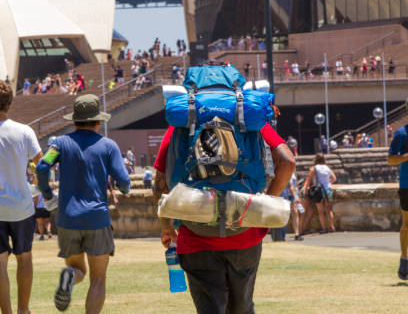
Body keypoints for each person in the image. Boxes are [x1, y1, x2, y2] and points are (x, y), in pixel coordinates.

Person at [153, 124, 295, 313]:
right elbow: (288, 162)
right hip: (245, 233)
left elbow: (160, 182)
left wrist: (166, 226)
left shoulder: (182, 120)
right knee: (242, 307)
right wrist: (265, 204)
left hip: (196, 235)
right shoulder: (250, 114)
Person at [36, 93, 130, 312]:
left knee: (78, 269)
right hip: (97, 219)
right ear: (99, 121)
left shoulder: (59, 144)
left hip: (67, 218)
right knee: (98, 279)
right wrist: (124, 188)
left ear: (74, 120)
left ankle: (69, 276)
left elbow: (41, 167)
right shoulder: (108, 146)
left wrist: (48, 196)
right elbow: (123, 180)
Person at [0, 79, 42, 314]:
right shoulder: (24, 131)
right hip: (21, 206)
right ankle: (23, 310)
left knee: (0, 264)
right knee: (24, 257)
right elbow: (43, 163)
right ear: (10, 103)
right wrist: (37, 186)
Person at [387, 112, 408, 280]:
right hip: (407, 184)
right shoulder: (401, 133)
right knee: (406, 225)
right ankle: (404, 258)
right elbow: (390, 159)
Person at [303, 153, 336, 234]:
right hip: (328, 189)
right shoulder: (327, 168)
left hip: (319, 191)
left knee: (320, 211)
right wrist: (328, 183)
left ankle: (324, 228)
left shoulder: (314, 168)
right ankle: (332, 227)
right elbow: (334, 178)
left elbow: (309, 179)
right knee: (328, 210)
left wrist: (305, 189)